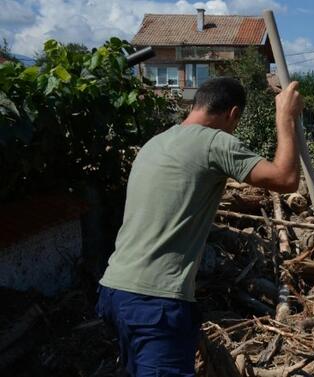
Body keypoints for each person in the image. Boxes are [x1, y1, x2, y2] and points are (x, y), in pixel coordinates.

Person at [96, 78, 303, 376]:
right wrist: (285, 118)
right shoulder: (213, 142)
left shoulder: (156, 142)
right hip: (156, 302)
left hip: (116, 290)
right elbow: (285, 179)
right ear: (232, 114)